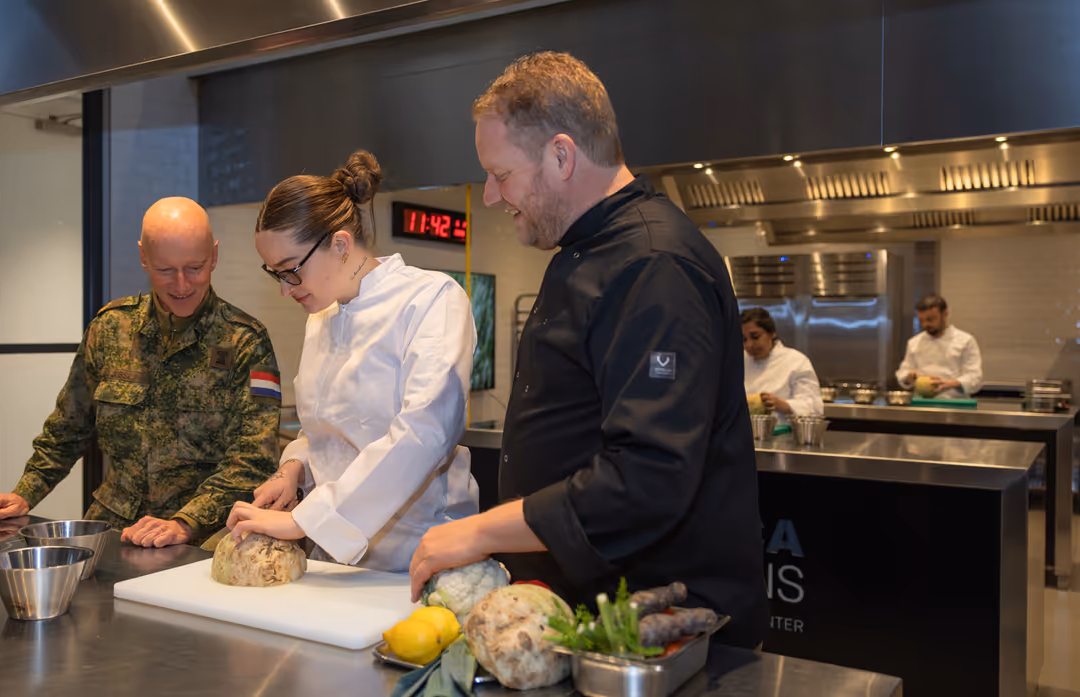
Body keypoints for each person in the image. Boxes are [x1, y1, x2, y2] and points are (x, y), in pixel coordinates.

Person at [408, 52, 769, 648]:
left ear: (561, 154)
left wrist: (481, 532)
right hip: (587, 614)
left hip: (658, 628)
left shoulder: (654, 266)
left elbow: (648, 476)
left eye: (500, 175)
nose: (493, 198)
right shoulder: (587, 253)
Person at [224, 151, 479, 573]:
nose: (286, 291)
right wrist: (294, 469)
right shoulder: (322, 317)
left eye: (291, 271)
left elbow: (424, 433)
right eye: (275, 274)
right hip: (334, 560)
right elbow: (326, 431)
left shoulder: (431, 298)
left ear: (341, 244)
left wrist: (305, 520)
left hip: (418, 555)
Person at [0, 197, 281, 548]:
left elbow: (253, 458)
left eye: (195, 268)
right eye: (166, 270)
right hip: (111, 529)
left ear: (214, 255)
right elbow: (67, 427)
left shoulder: (245, 342)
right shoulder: (110, 328)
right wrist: (26, 493)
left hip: (199, 537)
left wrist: (186, 521)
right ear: (143, 258)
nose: (181, 284)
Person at [741, 307, 823, 422]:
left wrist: (784, 405)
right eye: (744, 339)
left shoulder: (796, 361)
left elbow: (814, 407)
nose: (749, 345)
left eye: (755, 337)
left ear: (772, 333)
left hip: (784, 435)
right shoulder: (739, 361)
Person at [895, 294, 983, 400]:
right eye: (922, 320)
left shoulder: (965, 341)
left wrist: (949, 384)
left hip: (956, 403)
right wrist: (909, 376)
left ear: (945, 313)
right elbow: (903, 373)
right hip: (922, 404)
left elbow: (975, 378)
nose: (925, 324)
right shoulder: (914, 343)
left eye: (930, 319)